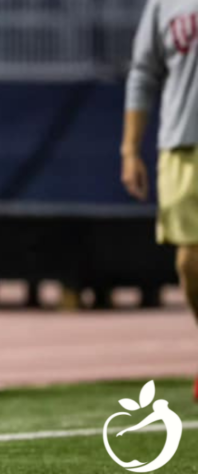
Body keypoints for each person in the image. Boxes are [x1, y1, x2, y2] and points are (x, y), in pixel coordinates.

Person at [120, 0, 198, 401]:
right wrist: (130, 150)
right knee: (189, 261)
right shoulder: (166, 3)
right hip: (183, 146)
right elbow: (143, 73)